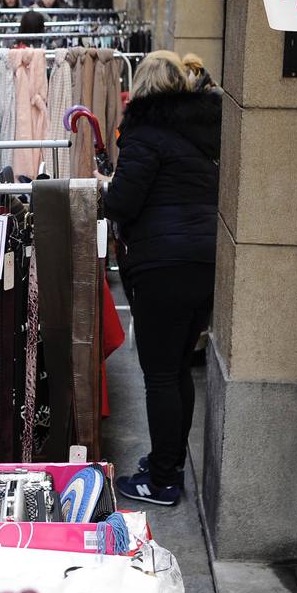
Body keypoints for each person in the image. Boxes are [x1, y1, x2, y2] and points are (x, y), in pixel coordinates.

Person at [103, 51, 221, 507]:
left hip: (161, 263)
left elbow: (123, 203)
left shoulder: (145, 132)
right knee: (177, 370)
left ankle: (164, 477)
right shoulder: (203, 131)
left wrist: (108, 186)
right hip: (203, 261)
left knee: (158, 374)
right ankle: (167, 467)